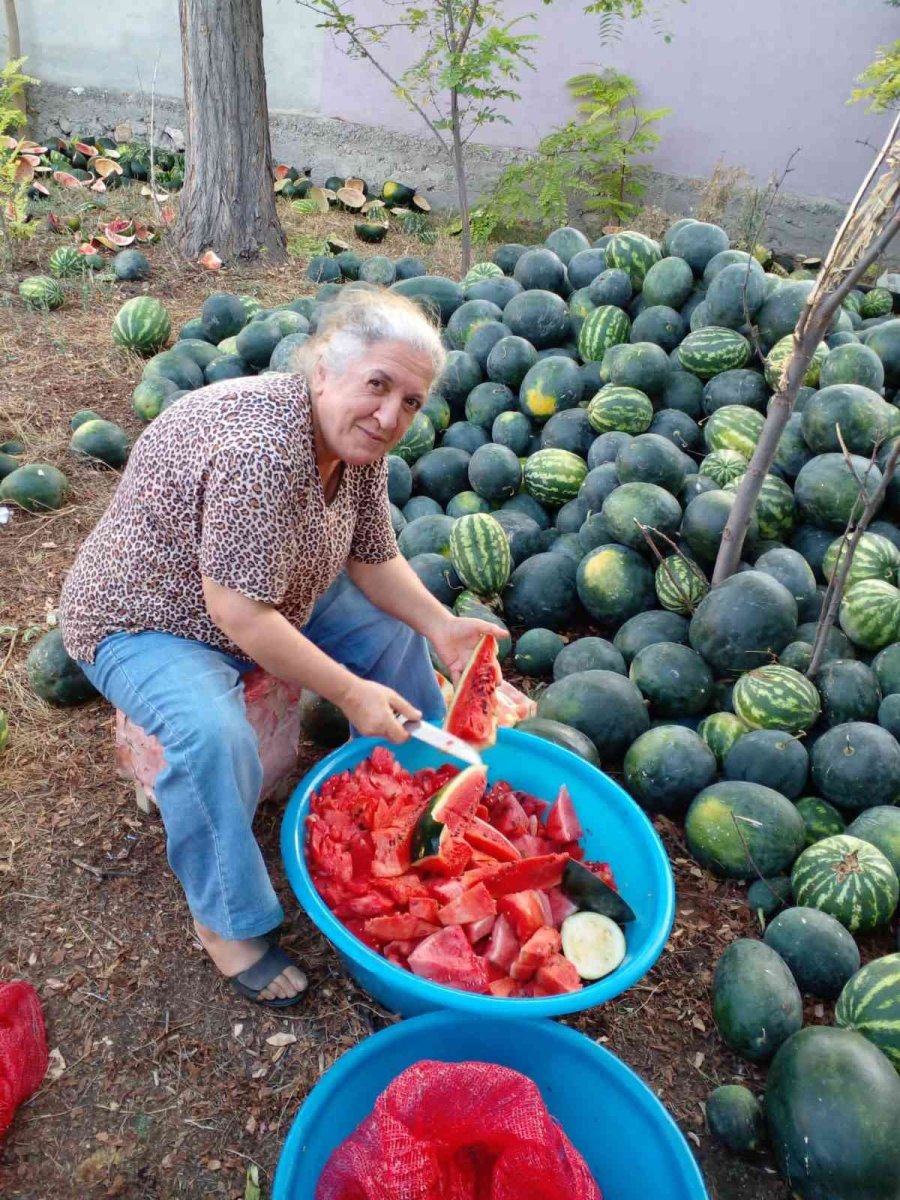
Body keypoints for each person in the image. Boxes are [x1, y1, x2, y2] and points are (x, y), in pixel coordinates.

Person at [58, 289, 499, 1009]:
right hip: (147, 618)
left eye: (411, 402)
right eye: (379, 386)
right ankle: (226, 923)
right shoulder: (262, 448)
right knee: (210, 734)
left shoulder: (355, 442)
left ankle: (419, 793)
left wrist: (441, 625)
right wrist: (351, 693)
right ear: (324, 367)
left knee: (392, 632)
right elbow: (237, 613)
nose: (392, 416)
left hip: (272, 585)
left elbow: (371, 557)